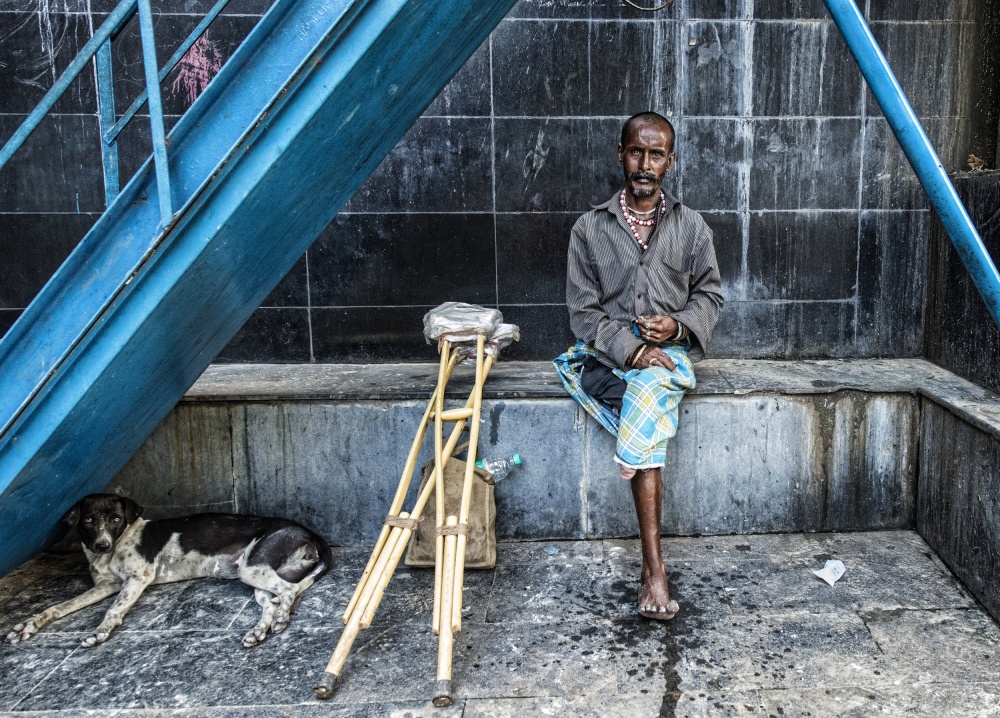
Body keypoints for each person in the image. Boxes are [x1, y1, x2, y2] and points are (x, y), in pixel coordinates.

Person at [553, 111, 724, 620]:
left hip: (665, 361)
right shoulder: (589, 228)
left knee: (648, 392)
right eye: (635, 152)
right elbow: (582, 313)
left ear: (671, 161)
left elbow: (710, 296)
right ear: (620, 153)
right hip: (607, 357)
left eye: (656, 154)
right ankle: (654, 566)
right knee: (639, 395)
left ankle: (654, 568)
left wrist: (674, 329)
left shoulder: (692, 227)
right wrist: (630, 348)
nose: (644, 164)